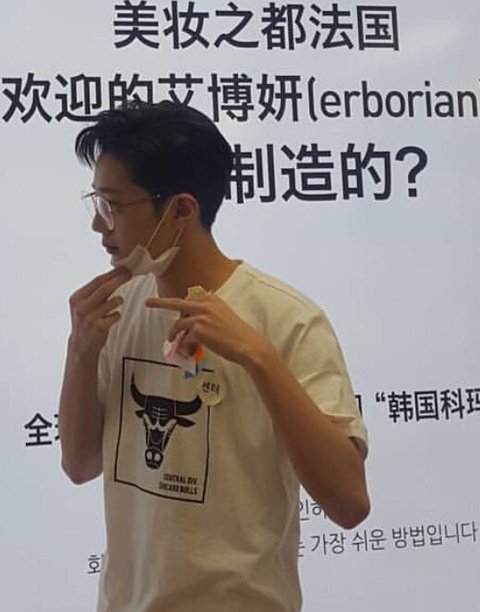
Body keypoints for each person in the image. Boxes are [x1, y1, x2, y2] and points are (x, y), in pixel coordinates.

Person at [59, 100, 370, 612]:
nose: (98, 224)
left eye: (113, 205)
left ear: (181, 210)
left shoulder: (288, 318)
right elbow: (79, 463)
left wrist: (258, 358)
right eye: (96, 201)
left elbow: (349, 503)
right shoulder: (116, 308)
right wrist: (81, 350)